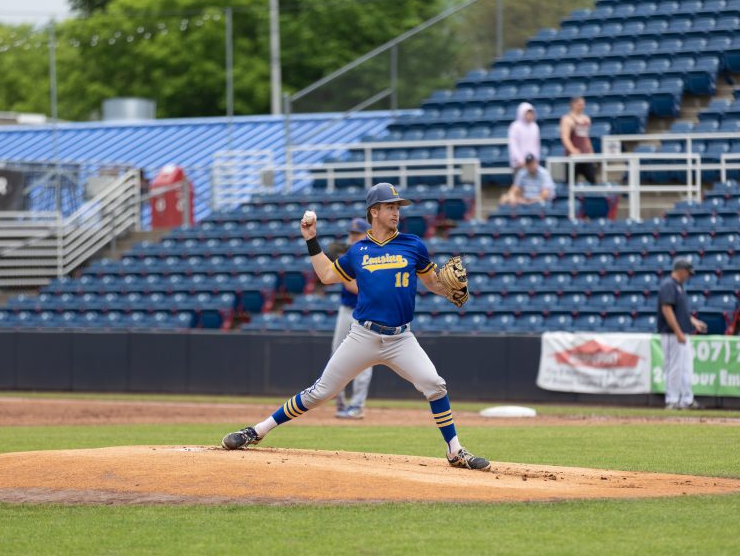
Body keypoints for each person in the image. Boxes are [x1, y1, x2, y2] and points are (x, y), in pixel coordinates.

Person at [221, 182, 491, 471]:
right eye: (390, 207)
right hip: (363, 335)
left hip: (401, 338)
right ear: (374, 212)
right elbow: (325, 275)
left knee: (435, 385)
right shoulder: (358, 251)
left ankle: (455, 451)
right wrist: (312, 239)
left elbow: (433, 283)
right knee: (320, 392)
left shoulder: (413, 245)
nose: (396, 212)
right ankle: (256, 431)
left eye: (397, 207)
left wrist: (450, 289)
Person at [326, 217, 373, 419]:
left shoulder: (373, 255)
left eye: (357, 234)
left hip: (366, 313)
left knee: (365, 360)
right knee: (336, 355)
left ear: (367, 234)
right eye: (351, 234)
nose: (352, 237)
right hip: (346, 310)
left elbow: (354, 287)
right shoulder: (348, 255)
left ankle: (357, 405)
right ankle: (340, 401)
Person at [657, 258, 707, 410]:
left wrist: (693, 322)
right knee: (674, 368)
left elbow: (680, 312)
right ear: (681, 270)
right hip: (672, 334)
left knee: (686, 368)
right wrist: (678, 331)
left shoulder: (678, 287)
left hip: (682, 334)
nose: (688, 276)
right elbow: (667, 309)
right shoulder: (668, 285)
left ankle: (687, 399)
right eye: (687, 272)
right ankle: (672, 400)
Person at [560, 96, 596, 184]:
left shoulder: (586, 119)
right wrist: (572, 150)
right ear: (573, 105)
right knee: (570, 183)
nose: (582, 107)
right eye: (580, 105)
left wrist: (591, 150)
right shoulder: (567, 119)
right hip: (573, 157)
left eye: (583, 105)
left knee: (593, 181)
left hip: (585, 156)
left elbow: (586, 137)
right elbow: (565, 137)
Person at [508, 102, 541, 172]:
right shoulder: (515, 127)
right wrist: (521, 161)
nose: (530, 115)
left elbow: (537, 145)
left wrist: (535, 160)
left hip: (532, 164)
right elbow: (513, 145)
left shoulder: (535, 127)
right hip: (519, 164)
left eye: (531, 113)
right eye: (527, 113)